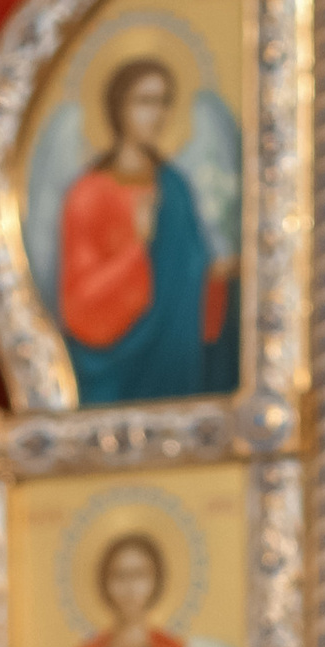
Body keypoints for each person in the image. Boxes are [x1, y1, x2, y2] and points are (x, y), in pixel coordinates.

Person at [54, 55, 236, 404]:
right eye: (145, 101)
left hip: (176, 359)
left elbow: (188, 270)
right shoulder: (89, 193)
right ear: (118, 107)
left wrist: (221, 280)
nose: (158, 114)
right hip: (115, 369)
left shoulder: (175, 186)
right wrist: (137, 247)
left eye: (164, 102)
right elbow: (78, 305)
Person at [55, 530, 186, 647]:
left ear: (156, 579)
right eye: (119, 575)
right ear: (105, 582)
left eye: (139, 574)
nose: (129, 586)